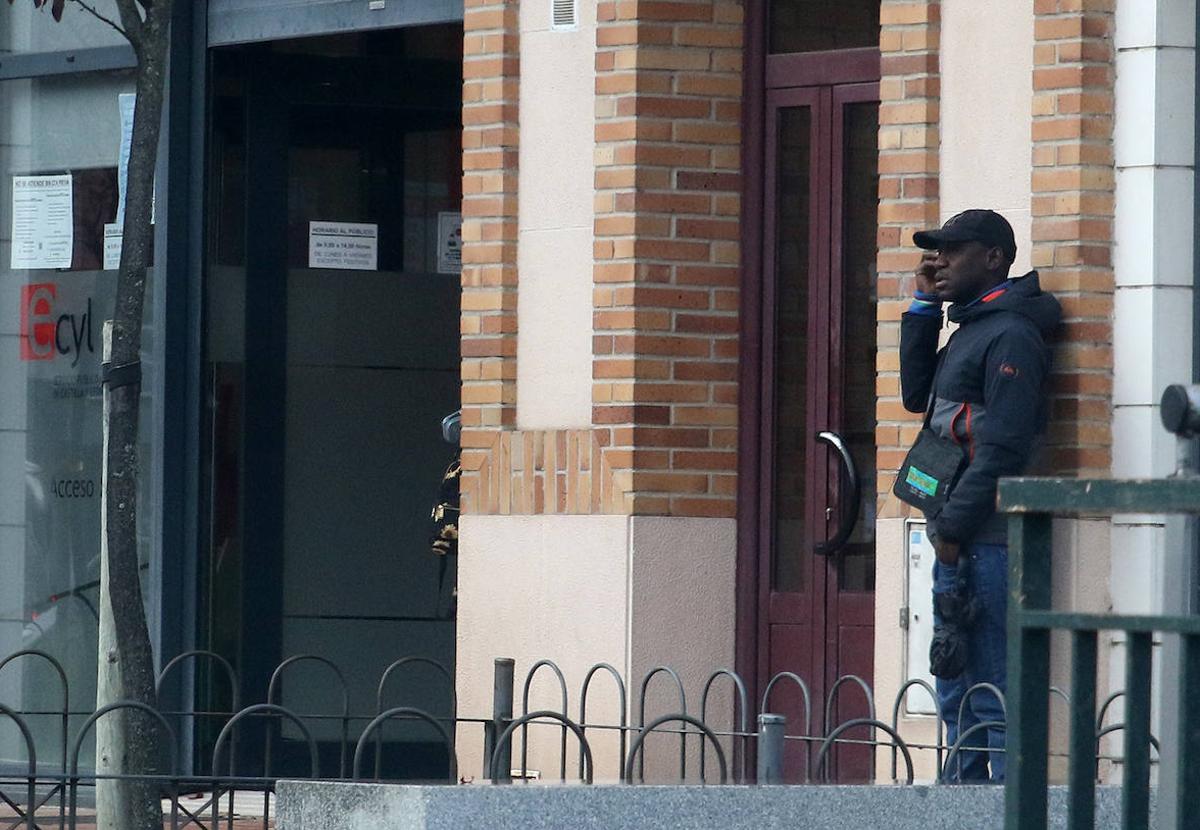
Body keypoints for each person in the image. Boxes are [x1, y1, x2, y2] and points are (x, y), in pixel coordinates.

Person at [901, 209, 1061, 783]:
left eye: (952, 250)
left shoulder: (1012, 331)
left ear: (994, 257)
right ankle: (959, 808)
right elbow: (917, 397)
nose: (937, 260)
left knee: (992, 692)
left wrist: (951, 529)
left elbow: (1005, 446)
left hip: (987, 540)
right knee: (956, 691)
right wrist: (923, 309)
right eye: (934, 251)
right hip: (956, 535)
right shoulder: (972, 327)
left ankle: (1003, 810)